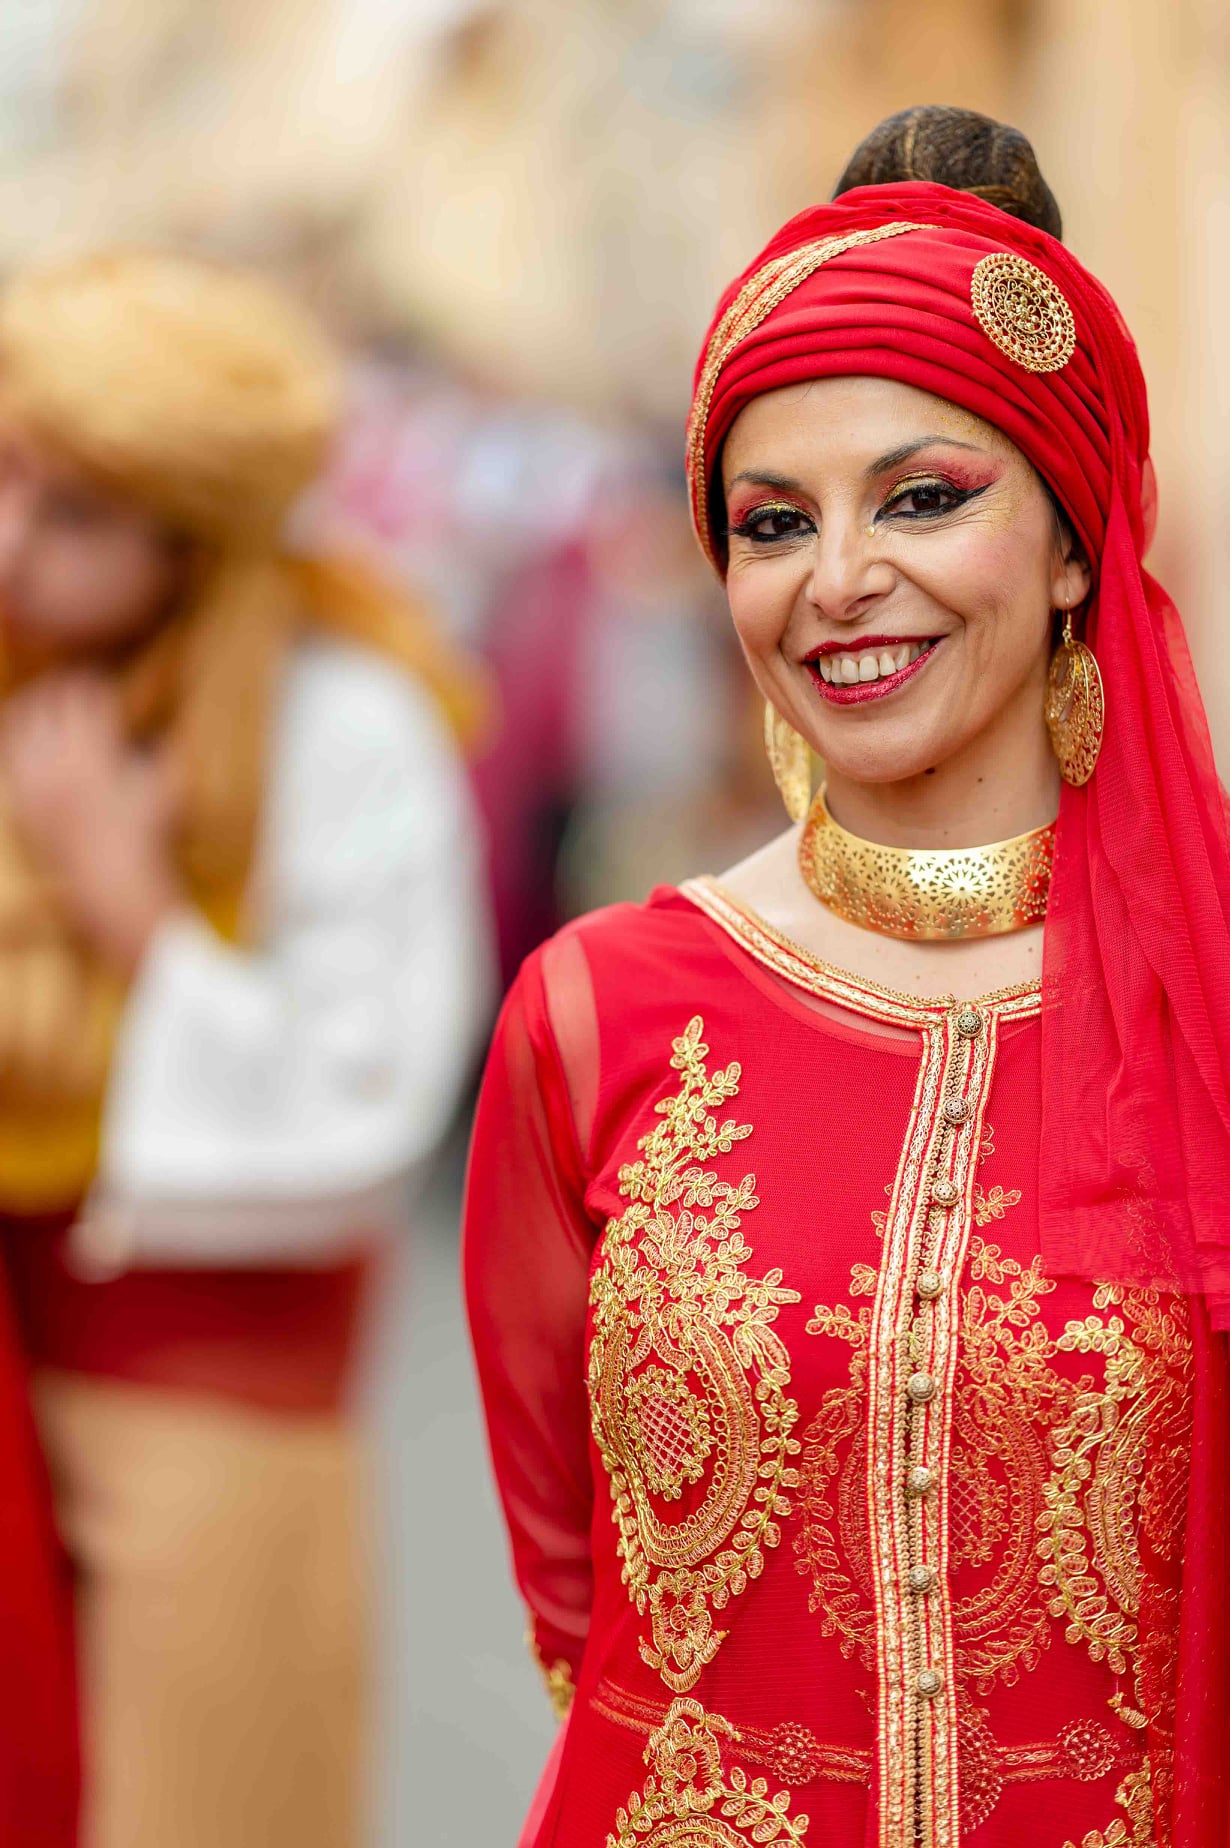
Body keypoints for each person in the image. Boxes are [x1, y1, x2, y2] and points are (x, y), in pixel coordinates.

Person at [464, 105, 1230, 1848]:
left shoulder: (1213, 1000)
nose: (837, 581)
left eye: (923, 498)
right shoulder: (596, 1013)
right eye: (769, 522)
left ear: (1071, 541)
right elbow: (575, 1589)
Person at [0, 251, 490, 1848]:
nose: (10, 542)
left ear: (190, 533)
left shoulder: (349, 727)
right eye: (4, 480)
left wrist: (129, 905)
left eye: (73, 511)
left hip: (207, 1408)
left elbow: (367, 1100)